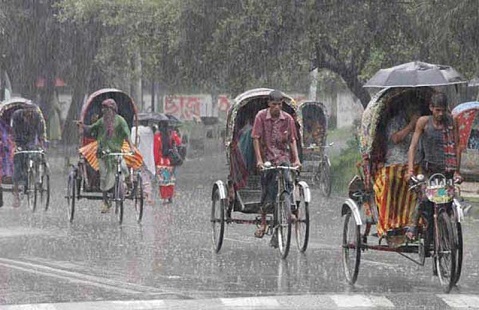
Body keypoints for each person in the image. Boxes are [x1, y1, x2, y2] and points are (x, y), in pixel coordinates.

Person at [406, 92, 462, 240]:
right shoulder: (423, 122)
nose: (440, 113)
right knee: (424, 199)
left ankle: (445, 233)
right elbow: (413, 146)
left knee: (447, 202)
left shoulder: (452, 122)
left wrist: (457, 171)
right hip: (429, 170)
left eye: (443, 110)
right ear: (431, 108)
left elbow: (457, 147)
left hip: (447, 171)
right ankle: (413, 227)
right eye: (437, 110)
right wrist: (410, 170)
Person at [252, 90, 301, 244]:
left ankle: (288, 210)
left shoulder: (288, 119)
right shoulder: (260, 116)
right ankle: (264, 221)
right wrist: (259, 160)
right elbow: (256, 138)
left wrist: (296, 160)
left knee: (287, 182)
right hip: (267, 157)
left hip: (282, 157)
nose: (277, 108)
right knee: (268, 190)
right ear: (269, 104)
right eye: (274, 105)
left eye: (279, 105)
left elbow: (292, 140)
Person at [372, 102, 421, 241]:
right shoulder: (395, 122)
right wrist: (411, 125)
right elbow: (395, 138)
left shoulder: (423, 123)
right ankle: (389, 222)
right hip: (394, 163)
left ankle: (416, 222)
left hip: (415, 163)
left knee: (422, 187)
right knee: (390, 181)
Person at [78, 98, 135, 213]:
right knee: (103, 177)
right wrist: (83, 126)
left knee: (124, 168)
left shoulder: (120, 121)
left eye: (107, 109)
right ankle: (105, 201)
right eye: (103, 109)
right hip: (102, 154)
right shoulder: (101, 121)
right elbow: (91, 129)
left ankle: (129, 184)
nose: (104, 111)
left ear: (113, 110)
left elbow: (127, 134)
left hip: (115, 153)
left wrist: (131, 147)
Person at [10, 106, 46, 207]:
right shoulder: (17, 116)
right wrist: (16, 144)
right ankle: (16, 191)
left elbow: (40, 131)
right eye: (27, 112)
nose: (29, 114)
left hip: (30, 141)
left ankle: (35, 177)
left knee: (35, 156)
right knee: (18, 164)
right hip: (19, 141)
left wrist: (41, 142)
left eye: (31, 112)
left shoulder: (37, 116)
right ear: (24, 111)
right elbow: (13, 131)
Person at [154, 120, 182, 203]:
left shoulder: (157, 136)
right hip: (170, 161)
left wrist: (155, 161)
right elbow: (179, 142)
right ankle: (170, 196)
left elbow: (155, 150)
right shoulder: (171, 134)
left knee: (162, 181)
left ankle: (164, 197)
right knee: (170, 179)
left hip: (161, 161)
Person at [131, 120, 155, 205]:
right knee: (146, 174)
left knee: (134, 172)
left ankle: (135, 190)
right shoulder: (149, 131)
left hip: (136, 154)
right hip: (146, 155)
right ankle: (148, 195)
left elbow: (132, 142)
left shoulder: (134, 129)